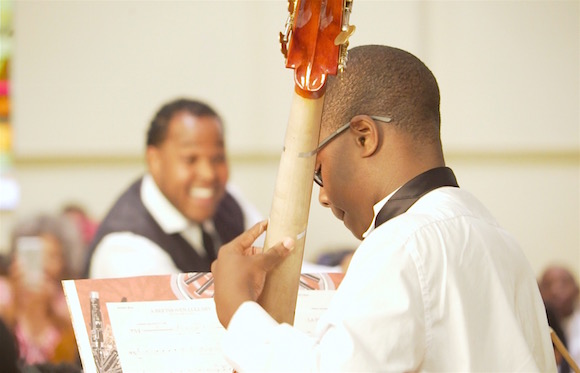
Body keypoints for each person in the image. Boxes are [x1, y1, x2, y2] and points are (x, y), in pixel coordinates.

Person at [211, 45, 556, 371]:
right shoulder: (497, 237)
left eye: (319, 172)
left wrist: (238, 310)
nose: (324, 197)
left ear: (364, 136)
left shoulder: (403, 244)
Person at [84, 98, 262, 278]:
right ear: (155, 161)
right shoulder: (125, 248)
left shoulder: (230, 200)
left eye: (217, 158)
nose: (208, 174)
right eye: (190, 159)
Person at [6, 213, 80, 367]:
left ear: (64, 261)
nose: (44, 265)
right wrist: (14, 301)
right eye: (36, 256)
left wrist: (52, 308)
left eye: (52, 256)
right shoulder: (5, 296)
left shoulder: (71, 304)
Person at [540, 265, 580, 368]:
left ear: (577, 290)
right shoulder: (535, 331)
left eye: (564, 283)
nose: (555, 290)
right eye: (547, 285)